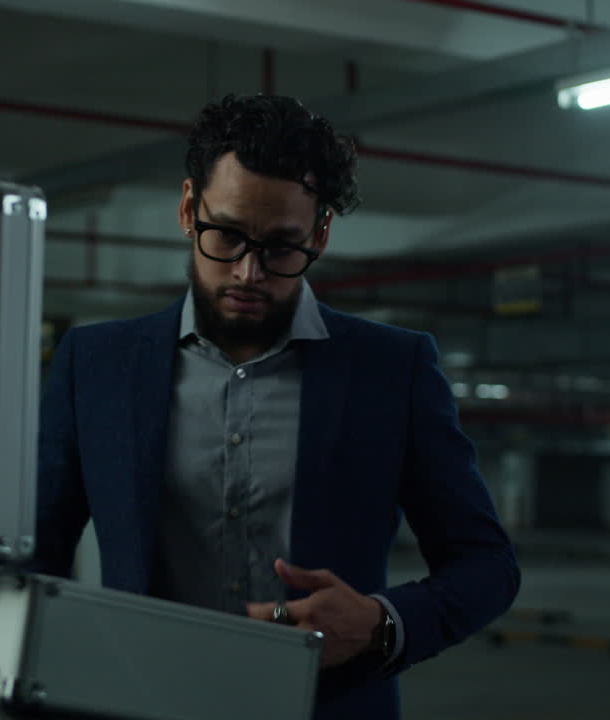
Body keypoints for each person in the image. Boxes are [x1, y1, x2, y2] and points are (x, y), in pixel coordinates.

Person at [34, 94, 520, 719]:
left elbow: (488, 565)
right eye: (227, 236)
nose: (248, 273)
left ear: (319, 233)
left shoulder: (392, 370)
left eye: (281, 248)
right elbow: (35, 556)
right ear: (189, 210)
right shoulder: (95, 364)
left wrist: (380, 623)